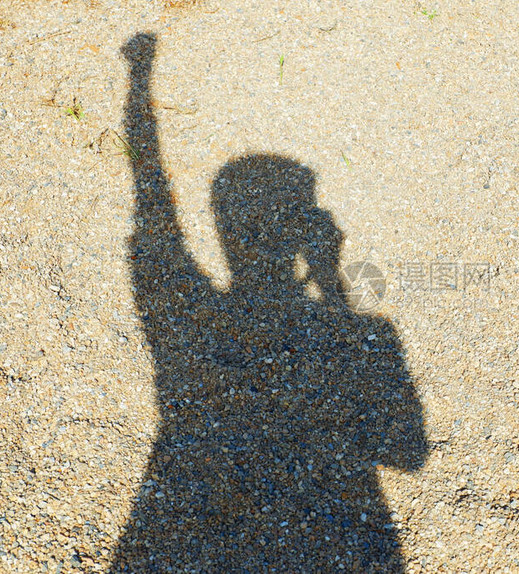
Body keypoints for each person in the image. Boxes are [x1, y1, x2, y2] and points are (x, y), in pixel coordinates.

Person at [112, 33, 427, 573]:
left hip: (178, 535)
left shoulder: (187, 315)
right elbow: (407, 456)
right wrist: (333, 287)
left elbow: (152, 209)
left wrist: (139, 76)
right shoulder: (365, 331)